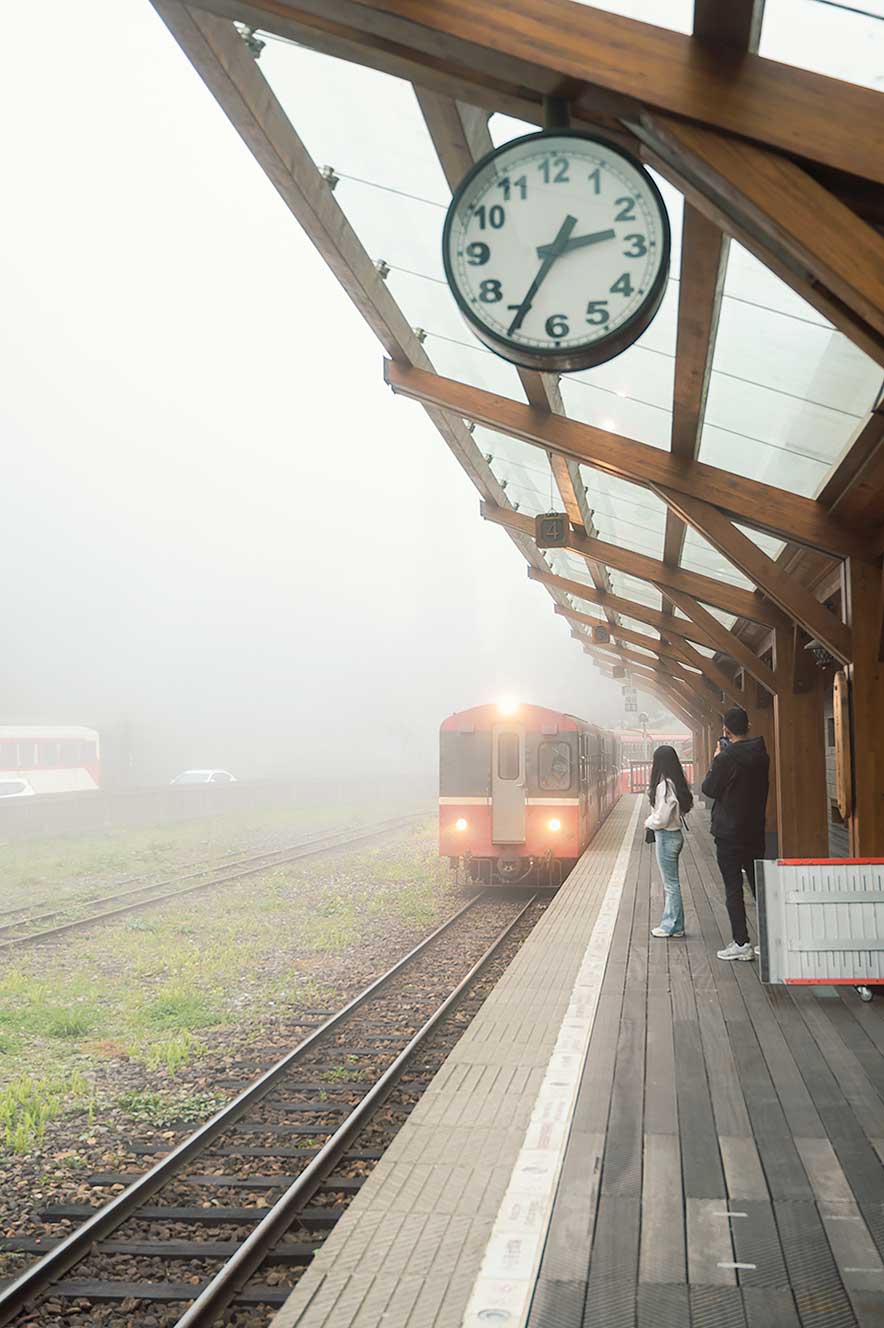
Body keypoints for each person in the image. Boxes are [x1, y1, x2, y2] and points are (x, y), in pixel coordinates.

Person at [701, 705, 770, 962]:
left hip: (729, 833)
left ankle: (742, 943)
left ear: (725, 730)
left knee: (734, 888)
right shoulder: (762, 754)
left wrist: (716, 758)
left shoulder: (726, 758)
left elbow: (709, 788)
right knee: (759, 886)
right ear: (748, 726)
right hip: (754, 831)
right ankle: (771, 940)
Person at [645, 745, 693, 938]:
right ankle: (677, 925)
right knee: (673, 884)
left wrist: (648, 822)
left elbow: (662, 817)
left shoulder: (664, 785)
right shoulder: (675, 782)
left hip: (666, 836)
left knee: (670, 885)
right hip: (675, 835)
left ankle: (669, 925)